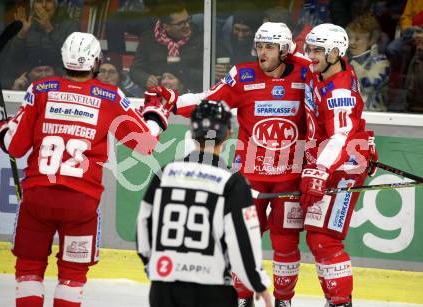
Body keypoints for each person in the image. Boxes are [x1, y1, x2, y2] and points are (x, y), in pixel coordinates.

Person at [0, 32, 175, 307]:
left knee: (29, 270)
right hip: (81, 203)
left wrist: (2, 130)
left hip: (37, 197)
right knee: (72, 276)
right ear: (96, 62)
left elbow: (15, 147)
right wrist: (157, 110)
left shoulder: (40, 90)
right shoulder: (110, 96)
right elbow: (146, 143)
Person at [153, 22, 310, 307]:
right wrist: (175, 102)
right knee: (240, 236)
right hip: (249, 174)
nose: (262, 53)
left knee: (285, 242)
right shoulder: (243, 74)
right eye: (260, 46)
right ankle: (241, 297)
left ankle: (284, 300)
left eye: (270, 47)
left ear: (285, 50)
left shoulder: (305, 73)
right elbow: (209, 100)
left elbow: (333, 91)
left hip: (291, 175)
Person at [136, 100, 272, 307]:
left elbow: (144, 225)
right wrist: (258, 284)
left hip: (164, 288)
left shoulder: (165, 173)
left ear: (192, 131)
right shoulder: (233, 183)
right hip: (212, 290)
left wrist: (152, 267)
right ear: (229, 133)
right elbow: (243, 241)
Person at [302, 23, 378, 307]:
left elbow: (339, 136)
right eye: (309, 48)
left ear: (335, 52)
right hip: (334, 161)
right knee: (316, 238)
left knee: (324, 239)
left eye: (317, 50)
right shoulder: (322, 69)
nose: (310, 55)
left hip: (344, 167)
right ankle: (336, 301)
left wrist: (319, 171)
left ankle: (340, 303)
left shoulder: (339, 92)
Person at [129, 2, 203, 92]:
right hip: (157, 94)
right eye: (181, 24)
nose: (187, 25)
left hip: (190, 93)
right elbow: (135, 70)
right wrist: (145, 78)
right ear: (166, 27)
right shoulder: (148, 39)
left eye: (188, 20)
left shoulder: (199, 37)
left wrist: (184, 74)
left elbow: (207, 73)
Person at [4, 0, 78, 79]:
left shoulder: (69, 25)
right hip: (28, 81)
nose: (44, 5)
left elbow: (72, 58)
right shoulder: (24, 23)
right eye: (39, 1)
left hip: (60, 81)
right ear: (33, 6)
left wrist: (49, 29)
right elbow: (13, 59)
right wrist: (21, 35)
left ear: (55, 5)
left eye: (49, 1)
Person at [346, 14, 390, 111]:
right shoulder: (346, 60)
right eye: (350, 38)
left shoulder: (381, 62)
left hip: (375, 116)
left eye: (357, 39)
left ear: (371, 41)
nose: (351, 42)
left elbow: (369, 86)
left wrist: (353, 63)